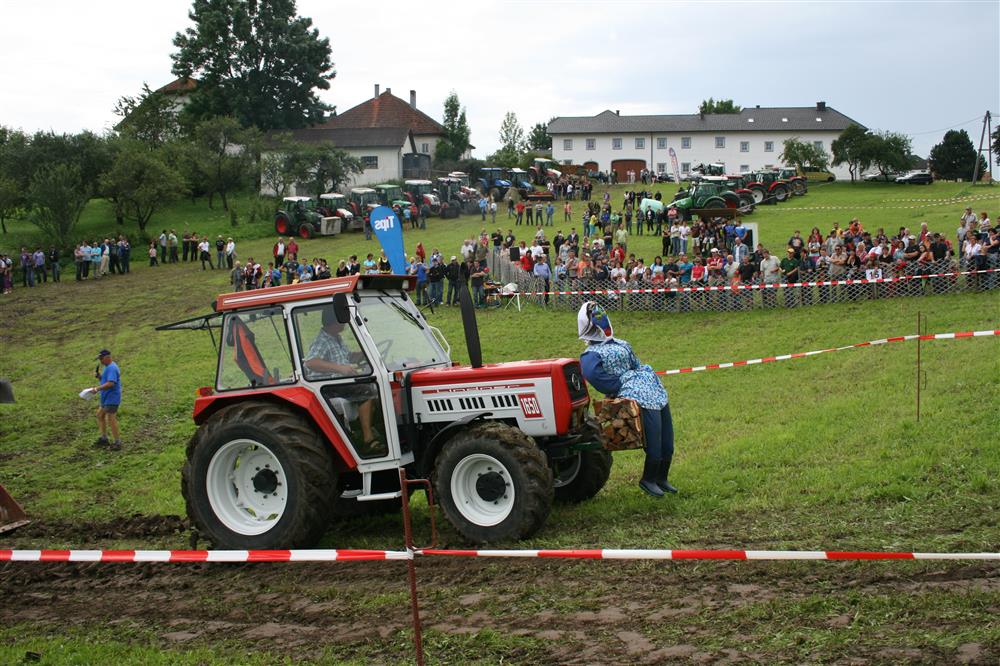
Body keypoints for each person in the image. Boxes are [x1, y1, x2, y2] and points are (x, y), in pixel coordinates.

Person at [577, 302, 677, 497]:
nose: (603, 321)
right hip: (634, 393)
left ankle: (662, 477)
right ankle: (649, 479)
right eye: (596, 317)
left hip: (652, 387)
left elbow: (635, 363)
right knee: (654, 435)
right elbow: (597, 378)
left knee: (667, 437)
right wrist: (621, 385)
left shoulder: (621, 343)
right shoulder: (590, 355)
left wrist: (639, 376)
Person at [303, 308, 380, 451]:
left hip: (341, 381)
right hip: (328, 384)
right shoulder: (322, 340)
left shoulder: (336, 338)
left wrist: (364, 353)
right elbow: (311, 363)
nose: (345, 322)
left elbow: (347, 357)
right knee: (366, 391)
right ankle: (368, 439)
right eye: (342, 319)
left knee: (375, 387)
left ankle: (365, 430)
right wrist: (340, 368)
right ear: (333, 321)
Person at [91, 349, 123, 451]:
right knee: (100, 415)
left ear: (107, 357)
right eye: (99, 359)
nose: (100, 361)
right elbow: (107, 381)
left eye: (101, 358)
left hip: (112, 398)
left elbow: (111, 383)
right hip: (106, 398)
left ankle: (117, 442)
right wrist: (100, 377)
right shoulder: (107, 367)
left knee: (111, 418)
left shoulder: (112, 368)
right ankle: (104, 438)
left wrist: (97, 389)